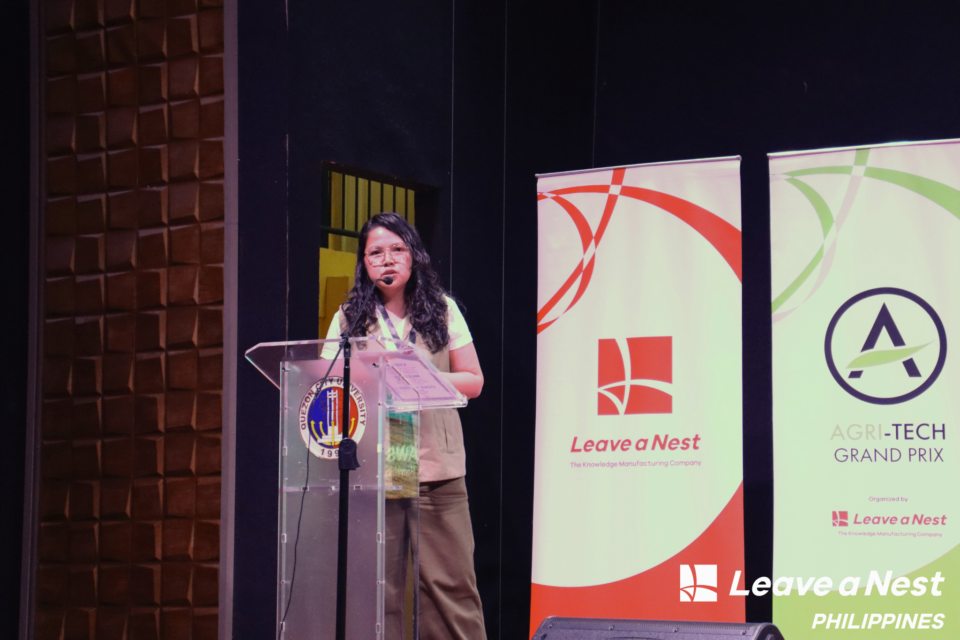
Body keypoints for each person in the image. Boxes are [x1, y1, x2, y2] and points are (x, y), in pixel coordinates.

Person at [323, 212, 486, 640]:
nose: (387, 259)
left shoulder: (442, 309)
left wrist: (420, 377)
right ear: (364, 263)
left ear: (414, 256)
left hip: (435, 463)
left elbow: (474, 380)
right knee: (379, 590)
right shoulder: (348, 318)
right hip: (377, 465)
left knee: (447, 584)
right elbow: (325, 384)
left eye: (397, 249)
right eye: (376, 252)